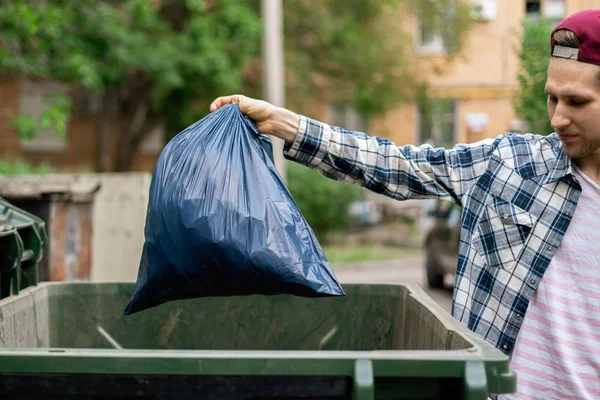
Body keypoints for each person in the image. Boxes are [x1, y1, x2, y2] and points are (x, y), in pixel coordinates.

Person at [210, 9, 600, 399]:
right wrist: (286, 124)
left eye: (576, 102)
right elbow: (398, 164)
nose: (558, 118)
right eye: (552, 98)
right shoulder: (512, 165)